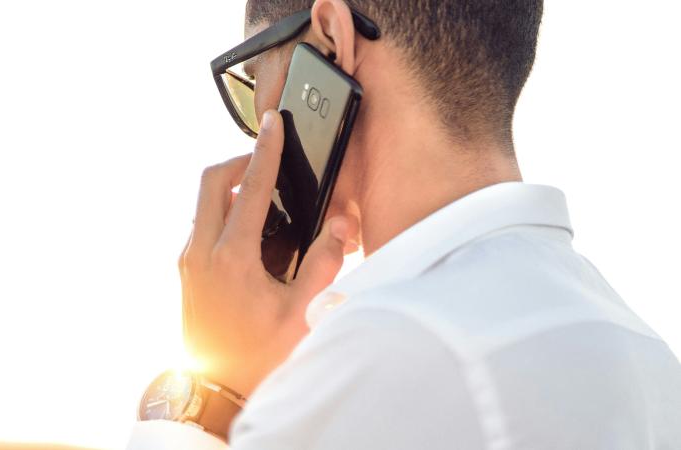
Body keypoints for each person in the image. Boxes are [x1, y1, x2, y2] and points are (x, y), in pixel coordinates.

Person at [127, 0, 681, 448]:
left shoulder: (385, 358)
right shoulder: (648, 354)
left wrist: (215, 393)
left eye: (256, 80)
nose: (255, 132)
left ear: (331, 44)